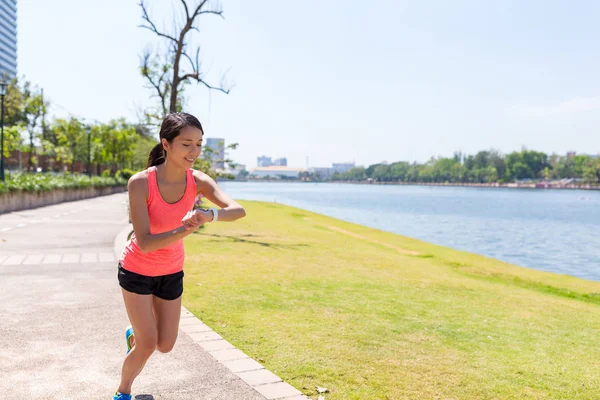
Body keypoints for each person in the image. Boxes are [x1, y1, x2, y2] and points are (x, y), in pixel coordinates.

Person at [113, 112, 246, 400]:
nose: (194, 152)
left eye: (198, 144)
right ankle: (123, 392)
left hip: (171, 271)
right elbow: (146, 242)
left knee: (166, 344)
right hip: (137, 269)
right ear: (166, 144)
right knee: (148, 345)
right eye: (187, 144)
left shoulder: (198, 181)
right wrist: (186, 229)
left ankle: (133, 334)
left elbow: (238, 210)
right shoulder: (140, 183)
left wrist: (208, 215)